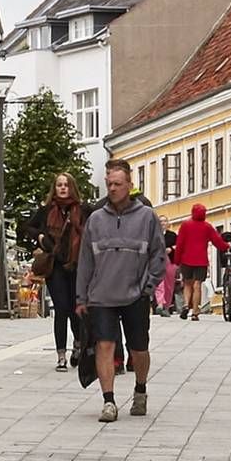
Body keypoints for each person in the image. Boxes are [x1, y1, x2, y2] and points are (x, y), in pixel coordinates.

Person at [76, 159, 164, 422]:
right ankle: (109, 401)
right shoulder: (95, 219)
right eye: (109, 184)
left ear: (129, 185)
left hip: (135, 294)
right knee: (105, 345)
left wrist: (148, 286)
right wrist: (82, 296)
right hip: (102, 295)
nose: (112, 189)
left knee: (138, 347)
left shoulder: (146, 217)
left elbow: (158, 255)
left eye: (117, 184)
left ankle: (140, 389)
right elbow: (85, 261)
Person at [22, 172, 86, 371]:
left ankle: (78, 345)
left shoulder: (82, 210)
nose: (63, 188)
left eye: (66, 184)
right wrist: (41, 238)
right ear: (55, 188)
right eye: (59, 185)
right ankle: (60, 355)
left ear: (72, 187)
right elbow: (27, 227)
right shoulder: (47, 210)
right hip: (55, 265)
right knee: (61, 308)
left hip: (77, 264)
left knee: (76, 309)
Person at [173, 203, 229, 323]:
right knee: (198, 285)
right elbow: (217, 241)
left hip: (186, 259)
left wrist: (176, 260)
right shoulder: (207, 227)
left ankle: (186, 305)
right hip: (201, 260)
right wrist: (226, 246)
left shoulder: (185, 225)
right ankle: (195, 312)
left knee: (187, 284)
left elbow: (180, 244)